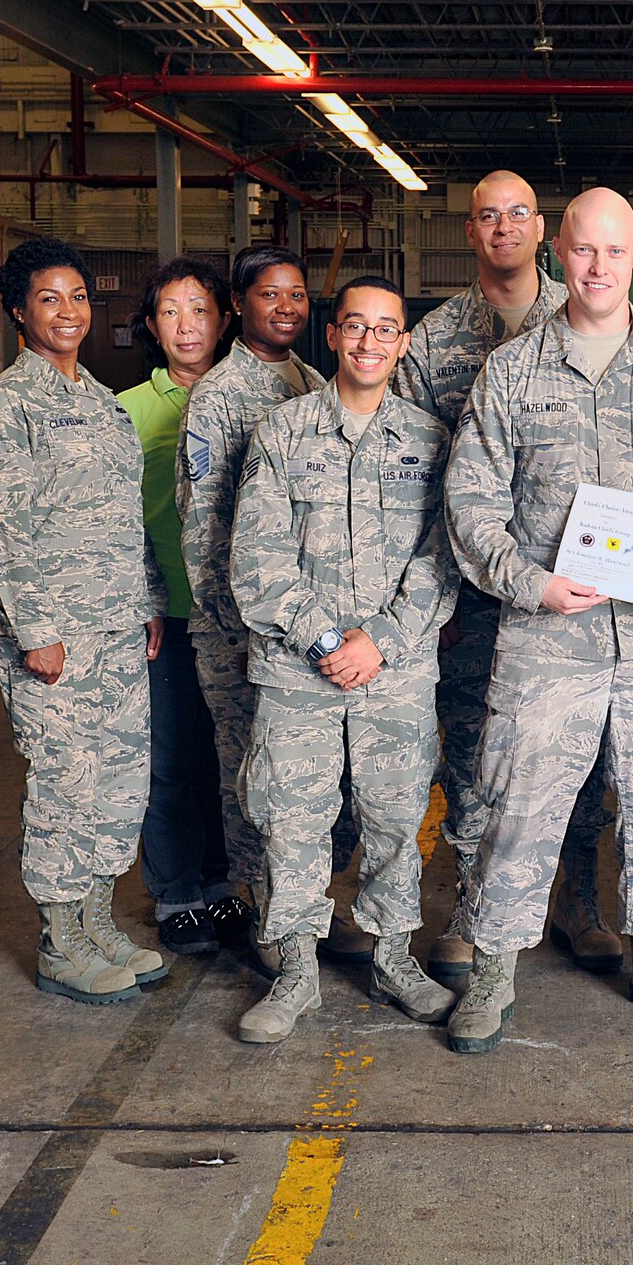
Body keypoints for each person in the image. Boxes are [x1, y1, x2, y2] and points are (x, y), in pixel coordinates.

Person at [442, 187, 633, 1054]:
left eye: (614, 251)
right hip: (546, 635)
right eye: (583, 251)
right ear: (558, 254)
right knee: (517, 804)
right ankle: (494, 970)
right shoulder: (512, 373)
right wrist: (527, 582)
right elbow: (469, 499)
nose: (598, 267)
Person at [394, 170, 615, 985]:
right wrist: (435, 594)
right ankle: (472, 902)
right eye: (486, 216)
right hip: (473, 587)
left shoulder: (588, 315)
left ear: (543, 228)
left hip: (574, 587)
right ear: (471, 232)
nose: (503, 228)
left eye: (519, 213)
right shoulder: (435, 339)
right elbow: (416, 476)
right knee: (475, 753)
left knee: (577, 753)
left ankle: (576, 899)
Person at [230, 277, 458, 1042]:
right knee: (293, 819)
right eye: (355, 327)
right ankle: (296, 967)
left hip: (395, 670)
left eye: (385, 330)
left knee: (396, 817)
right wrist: (326, 640)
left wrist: (381, 640)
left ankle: (395, 957)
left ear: (402, 343)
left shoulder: (431, 440)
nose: (368, 342)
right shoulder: (283, 431)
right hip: (299, 672)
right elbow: (256, 558)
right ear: (333, 337)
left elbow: (442, 557)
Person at [0, 237, 167, 1004]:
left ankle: (96, 921)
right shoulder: (4, 406)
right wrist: (32, 630)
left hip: (116, 627)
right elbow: (3, 530)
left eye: (79, 297)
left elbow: (128, 518)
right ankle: (59, 939)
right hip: (53, 639)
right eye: (49, 298)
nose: (68, 312)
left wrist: (146, 600)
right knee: (64, 785)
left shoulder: (100, 403)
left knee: (117, 785)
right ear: (18, 310)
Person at [177, 246, 367, 967]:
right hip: (245, 633)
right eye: (268, 295)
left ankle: (309, 906)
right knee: (256, 779)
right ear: (239, 304)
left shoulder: (317, 382)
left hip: (316, 631)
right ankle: (266, 913)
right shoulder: (221, 394)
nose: (285, 306)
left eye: (295, 295)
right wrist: (232, 632)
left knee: (321, 785)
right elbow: (205, 526)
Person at [117, 257, 245, 956]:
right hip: (166, 612)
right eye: (170, 311)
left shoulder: (252, 397)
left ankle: (222, 881)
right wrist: (141, 596)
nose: (186, 325)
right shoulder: (129, 409)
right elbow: (115, 519)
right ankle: (175, 890)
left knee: (229, 754)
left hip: (242, 615)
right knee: (169, 756)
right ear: (151, 325)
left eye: (199, 309)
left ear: (224, 318)